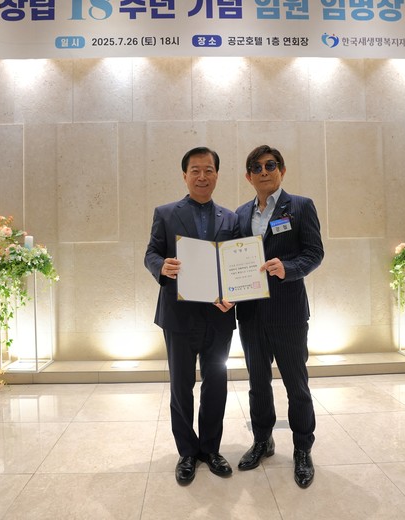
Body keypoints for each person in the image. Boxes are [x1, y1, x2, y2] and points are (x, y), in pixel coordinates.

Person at [144, 147, 240, 485]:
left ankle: (210, 449)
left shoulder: (231, 219)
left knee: (217, 384)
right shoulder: (165, 213)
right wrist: (162, 265)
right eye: (195, 170)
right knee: (181, 386)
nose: (202, 176)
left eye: (208, 170)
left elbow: (236, 264)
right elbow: (151, 253)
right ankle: (187, 452)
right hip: (178, 314)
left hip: (219, 315)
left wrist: (235, 294)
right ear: (184, 175)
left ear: (217, 175)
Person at [235, 145, 324, 488]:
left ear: (281, 171)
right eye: (256, 167)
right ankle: (263, 441)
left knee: (296, 385)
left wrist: (288, 268)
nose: (264, 171)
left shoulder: (300, 206)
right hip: (250, 314)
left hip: (288, 313)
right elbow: (234, 262)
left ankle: (302, 449)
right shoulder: (240, 214)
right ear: (248, 177)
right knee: (257, 384)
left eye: (270, 165)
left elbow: (314, 253)